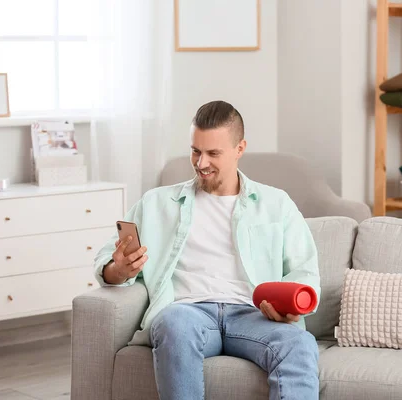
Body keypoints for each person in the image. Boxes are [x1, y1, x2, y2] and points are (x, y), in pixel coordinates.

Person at [94, 100, 321, 400]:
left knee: (299, 343)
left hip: (254, 316)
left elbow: (304, 272)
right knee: (173, 323)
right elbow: (106, 261)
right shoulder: (156, 204)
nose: (201, 163)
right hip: (189, 313)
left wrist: (291, 307)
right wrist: (117, 270)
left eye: (213, 153)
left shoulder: (276, 204)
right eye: (195, 151)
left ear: (240, 148)